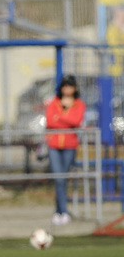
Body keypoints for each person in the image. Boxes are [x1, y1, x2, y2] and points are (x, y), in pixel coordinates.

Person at [45, 75, 86, 226]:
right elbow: (50, 121)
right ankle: (62, 212)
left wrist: (60, 117)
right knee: (58, 178)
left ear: (74, 88)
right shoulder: (53, 103)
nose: (67, 89)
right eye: (65, 86)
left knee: (63, 178)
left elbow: (76, 121)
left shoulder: (79, 104)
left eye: (70, 86)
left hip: (69, 146)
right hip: (54, 145)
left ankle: (60, 211)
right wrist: (64, 121)